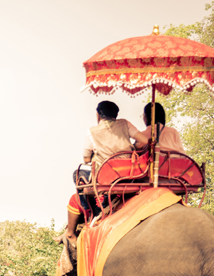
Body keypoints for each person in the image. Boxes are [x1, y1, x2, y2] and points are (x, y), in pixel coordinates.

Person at [56, 101, 149, 244]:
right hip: (130, 174)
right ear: (116, 115)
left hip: (106, 177)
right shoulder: (124, 124)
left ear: (98, 115)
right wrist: (132, 148)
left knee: (77, 174)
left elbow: (86, 159)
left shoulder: (92, 132)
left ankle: (92, 211)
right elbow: (144, 140)